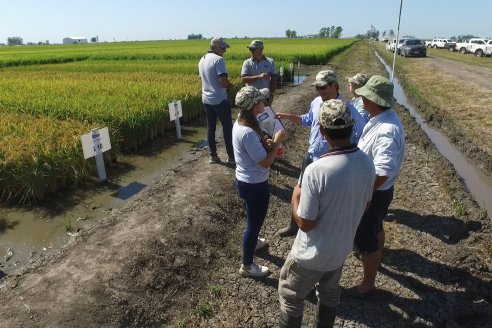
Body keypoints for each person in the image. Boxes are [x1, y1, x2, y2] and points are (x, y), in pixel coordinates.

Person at [278, 99, 375, 328]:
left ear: (322, 131)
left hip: (309, 256)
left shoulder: (317, 170)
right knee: (329, 294)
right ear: (352, 127)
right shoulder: (367, 163)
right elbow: (367, 205)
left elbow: (305, 223)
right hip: (340, 251)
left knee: (291, 297)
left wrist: (294, 196)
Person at [275, 70, 366, 237]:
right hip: (311, 157)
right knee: (301, 191)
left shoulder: (346, 109)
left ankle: (325, 231)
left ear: (334, 86)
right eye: (317, 87)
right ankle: (294, 226)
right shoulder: (316, 101)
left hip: (331, 163)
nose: (320, 91)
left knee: (326, 198)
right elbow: (307, 119)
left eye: (323, 87)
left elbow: (362, 132)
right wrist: (286, 116)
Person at [345, 75, 405, 299]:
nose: (361, 100)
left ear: (374, 100)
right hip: (377, 191)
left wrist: (366, 195)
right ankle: (376, 253)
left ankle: (367, 284)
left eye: (365, 97)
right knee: (376, 227)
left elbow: (383, 170)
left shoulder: (387, 131)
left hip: (374, 193)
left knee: (365, 239)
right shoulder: (380, 119)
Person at [233, 86, 283, 277]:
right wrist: (277, 141)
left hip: (246, 179)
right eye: (261, 101)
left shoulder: (243, 120)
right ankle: (246, 265)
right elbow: (265, 163)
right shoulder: (246, 132)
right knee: (253, 225)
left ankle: (254, 241)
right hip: (254, 184)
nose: (264, 103)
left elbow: (258, 144)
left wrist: (266, 142)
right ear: (255, 106)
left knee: (253, 218)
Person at [198, 36, 235, 165]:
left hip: (206, 99)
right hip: (219, 99)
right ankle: (231, 157)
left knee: (210, 128)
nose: (225, 50)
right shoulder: (219, 60)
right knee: (227, 128)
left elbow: (201, 79)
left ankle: (213, 156)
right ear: (217, 47)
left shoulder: (202, 60)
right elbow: (223, 82)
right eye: (223, 47)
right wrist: (230, 86)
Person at [241, 40, 277, 106]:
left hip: (265, 96)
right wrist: (259, 76)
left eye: (253, 49)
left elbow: (274, 79)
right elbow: (243, 79)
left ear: (261, 49)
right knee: (251, 116)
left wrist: (271, 94)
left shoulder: (270, 62)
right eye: (250, 49)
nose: (251, 51)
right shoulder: (247, 62)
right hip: (250, 96)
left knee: (265, 115)